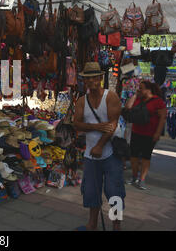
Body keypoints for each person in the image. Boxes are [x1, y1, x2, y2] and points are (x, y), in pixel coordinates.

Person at [73, 62, 125, 231]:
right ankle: (92, 224)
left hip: (110, 154)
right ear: (84, 80)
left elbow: (112, 125)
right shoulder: (82, 101)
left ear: (101, 78)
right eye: (88, 78)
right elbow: (76, 124)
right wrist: (95, 127)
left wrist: (100, 146)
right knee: (91, 192)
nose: (92, 81)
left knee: (115, 192)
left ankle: (116, 225)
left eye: (95, 77)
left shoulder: (111, 97)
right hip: (90, 155)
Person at [124, 80, 167, 190]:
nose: (139, 89)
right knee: (133, 156)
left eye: (141, 88)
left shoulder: (158, 102)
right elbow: (128, 107)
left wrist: (158, 133)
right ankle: (134, 176)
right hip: (136, 132)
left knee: (145, 157)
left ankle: (142, 179)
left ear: (148, 90)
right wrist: (135, 95)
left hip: (150, 134)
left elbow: (162, 118)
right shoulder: (138, 99)